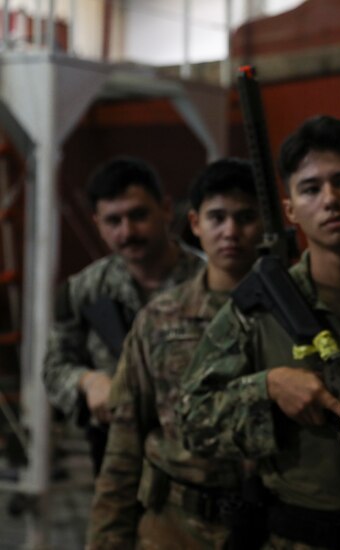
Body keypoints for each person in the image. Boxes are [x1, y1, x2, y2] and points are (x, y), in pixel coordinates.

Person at [178, 115, 340, 549]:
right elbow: (190, 418)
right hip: (298, 534)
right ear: (290, 210)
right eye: (310, 188)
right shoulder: (261, 306)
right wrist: (267, 387)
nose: (330, 200)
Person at [85, 158, 264, 549]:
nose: (230, 231)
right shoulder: (159, 319)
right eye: (217, 218)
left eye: (245, 217)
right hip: (175, 529)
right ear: (196, 223)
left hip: (273, 526)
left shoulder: (292, 315)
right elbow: (124, 445)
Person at [43, 157, 204, 475]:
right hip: (117, 451)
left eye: (138, 215)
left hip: (198, 452)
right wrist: (88, 382)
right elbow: (54, 366)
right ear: (97, 224)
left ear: (166, 209)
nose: (127, 231)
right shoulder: (84, 290)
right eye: (113, 221)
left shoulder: (209, 282)